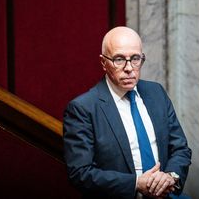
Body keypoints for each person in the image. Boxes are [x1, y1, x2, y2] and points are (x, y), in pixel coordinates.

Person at [63, 26, 192, 199]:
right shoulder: (83, 108)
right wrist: (136, 183)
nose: (129, 68)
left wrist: (171, 177)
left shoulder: (156, 93)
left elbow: (180, 148)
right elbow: (81, 173)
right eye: (119, 59)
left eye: (135, 58)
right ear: (103, 62)